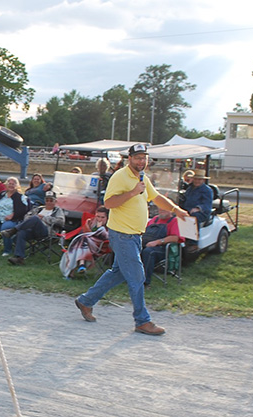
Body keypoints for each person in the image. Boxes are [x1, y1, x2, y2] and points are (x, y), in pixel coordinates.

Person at [74, 143, 188, 336]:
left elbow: (156, 197)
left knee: (117, 273)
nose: (141, 161)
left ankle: (86, 301)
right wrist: (133, 192)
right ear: (130, 159)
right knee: (137, 277)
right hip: (122, 235)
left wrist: (176, 210)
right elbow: (109, 203)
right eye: (137, 158)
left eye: (144, 157)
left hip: (135, 235)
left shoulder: (142, 177)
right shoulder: (120, 177)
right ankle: (142, 321)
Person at [7, 190, 66, 266]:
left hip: (46, 232)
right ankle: (19, 258)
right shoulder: (39, 209)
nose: (49, 202)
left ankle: (13, 230)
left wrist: (44, 218)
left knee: (35, 219)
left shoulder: (57, 210)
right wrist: (35, 219)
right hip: (32, 231)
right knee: (22, 232)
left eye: (51, 200)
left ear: (55, 201)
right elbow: (26, 217)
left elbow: (61, 221)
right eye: (47, 200)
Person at [0, 176, 29, 256]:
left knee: (6, 228)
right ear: (6, 185)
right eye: (9, 183)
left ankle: (7, 250)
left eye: (13, 184)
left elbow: (23, 210)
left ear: (17, 186)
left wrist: (12, 215)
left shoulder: (20, 197)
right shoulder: (2, 194)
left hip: (12, 220)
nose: (11, 185)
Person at [140, 209, 185, 286]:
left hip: (164, 249)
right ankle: (127, 277)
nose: (161, 211)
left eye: (164, 209)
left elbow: (175, 238)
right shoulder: (154, 219)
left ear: (171, 210)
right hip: (146, 244)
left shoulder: (175, 221)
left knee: (148, 252)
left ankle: (145, 282)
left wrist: (157, 242)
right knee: (129, 248)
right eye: (160, 209)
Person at [61, 206, 110, 278]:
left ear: (107, 218)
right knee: (81, 243)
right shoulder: (90, 223)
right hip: (86, 247)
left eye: (102, 217)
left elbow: (107, 238)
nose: (100, 219)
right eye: (98, 216)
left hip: (99, 248)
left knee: (81, 242)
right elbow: (84, 233)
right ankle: (81, 264)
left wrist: (99, 229)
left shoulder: (110, 226)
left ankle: (71, 272)